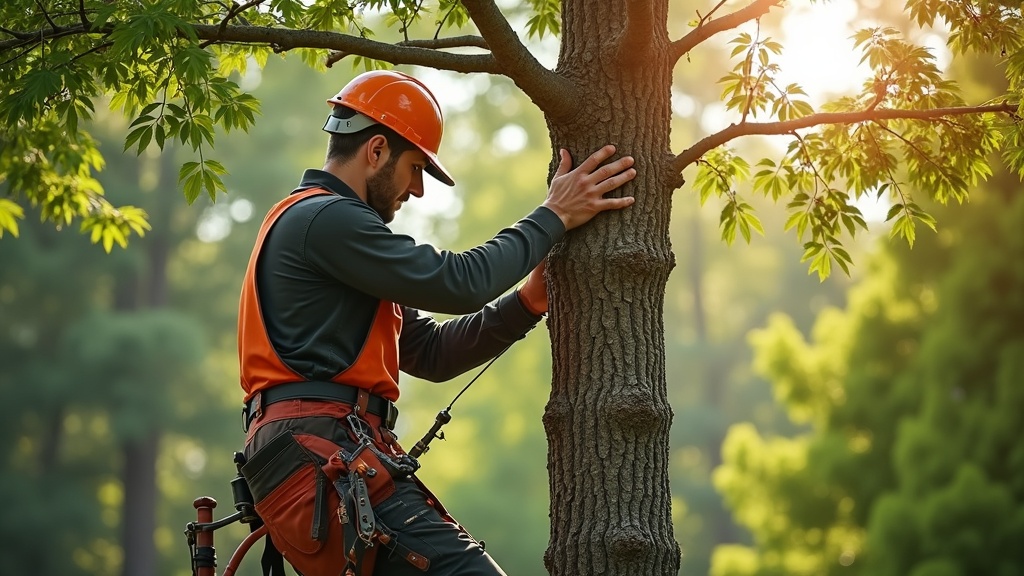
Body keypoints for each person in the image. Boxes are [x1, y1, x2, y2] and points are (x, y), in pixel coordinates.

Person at [236, 69, 636, 576]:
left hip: (319, 450)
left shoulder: (326, 232)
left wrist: (526, 302)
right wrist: (554, 215)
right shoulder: (326, 220)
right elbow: (459, 281)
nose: (418, 189)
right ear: (376, 150)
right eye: (416, 167)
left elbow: (429, 352)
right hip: (321, 449)